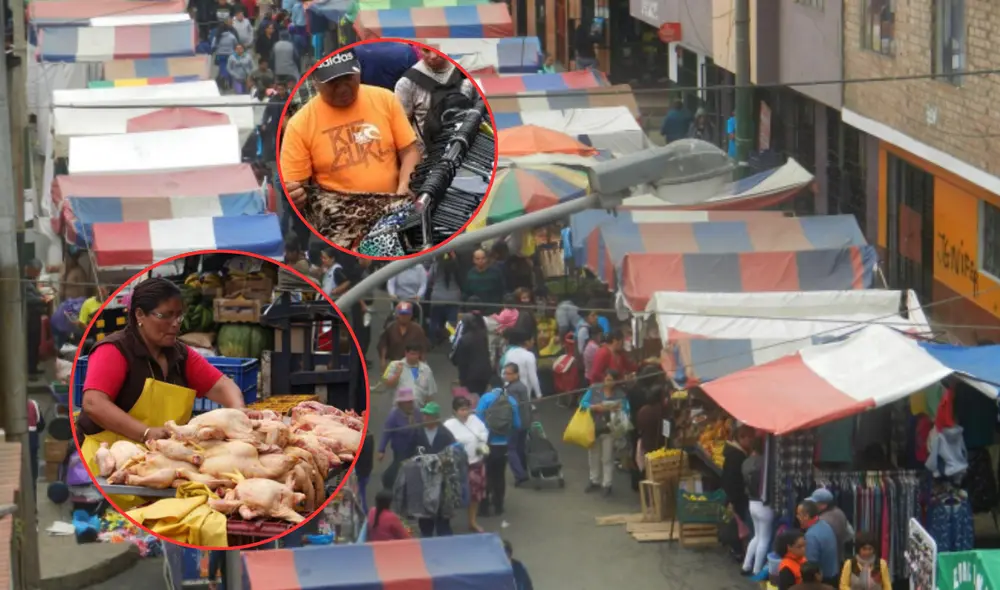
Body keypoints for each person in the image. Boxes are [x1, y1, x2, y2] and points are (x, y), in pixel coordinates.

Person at [74, 279, 246, 497]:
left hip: (159, 463)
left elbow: (222, 385)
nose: (175, 324)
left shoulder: (179, 354)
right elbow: (93, 403)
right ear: (140, 315)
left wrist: (238, 413)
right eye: (165, 315)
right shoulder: (115, 349)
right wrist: (145, 433)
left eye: (179, 315)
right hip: (108, 467)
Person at [281, 49, 421, 208]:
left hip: (393, 207)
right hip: (340, 221)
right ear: (314, 82)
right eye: (333, 83)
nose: (342, 89)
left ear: (359, 72)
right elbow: (296, 186)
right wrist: (295, 195)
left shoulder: (385, 99)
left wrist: (404, 187)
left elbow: (409, 151)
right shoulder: (299, 125)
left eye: (348, 78)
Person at [394, 45, 476, 142]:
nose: (433, 56)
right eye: (426, 51)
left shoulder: (467, 73)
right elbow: (402, 125)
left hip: (466, 147)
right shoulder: (407, 83)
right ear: (419, 49)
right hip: (427, 153)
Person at [410, 402, 456, 537]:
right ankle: (426, 532)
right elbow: (410, 452)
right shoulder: (417, 432)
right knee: (424, 510)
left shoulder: (445, 434)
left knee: (442, 509)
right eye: (424, 414)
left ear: (435, 417)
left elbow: (453, 454)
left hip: (441, 478)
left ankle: (444, 532)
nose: (424, 417)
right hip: (422, 477)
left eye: (428, 415)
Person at [580, 370, 629, 496]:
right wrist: (594, 407)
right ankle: (594, 480)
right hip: (594, 427)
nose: (608, 382)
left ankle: (607, 484)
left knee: (607, 458)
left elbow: (626, 409)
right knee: (593, 455)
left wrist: (617, 408)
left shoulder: (620, 394)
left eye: (611, 379)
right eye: (607, 379)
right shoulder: (594, 389)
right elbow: (583, 403)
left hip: (610, 429)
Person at [444, 397, 489, 532]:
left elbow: (484, 432)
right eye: (462, 410)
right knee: (452, 494)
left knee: (475, 495)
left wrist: (481, 442)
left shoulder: (475, 420)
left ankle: (472, 521)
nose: (465, 413)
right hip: (457, 466)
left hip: (475, 462)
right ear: (455, 411)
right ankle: (447, 522)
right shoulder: (448, 425)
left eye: (467, 409)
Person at [476, 383, 522, 517]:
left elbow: (478, 420)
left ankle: (483, 508)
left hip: (487, 444)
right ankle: (499, 506)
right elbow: (517, 424)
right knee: (499, 475)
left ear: (490, 386)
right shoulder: (511, 400)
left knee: (486, 474)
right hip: (503, 444)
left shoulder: (485, 398)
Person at [721, 425, 755, 558]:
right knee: (739, 523)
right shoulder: (737, 457)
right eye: (750, 439)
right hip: (737, 497)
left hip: (734, 496)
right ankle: (738, 550)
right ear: (741, 438)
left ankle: (736, 549)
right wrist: (734, 499)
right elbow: (733, 480)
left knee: (737, 523)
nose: (751, 442)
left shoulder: (734, 453)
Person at [742, 437, 772, 576]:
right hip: (764, 504)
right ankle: (757, 569)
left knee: (756, 536)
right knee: (764, 538)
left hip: (751, 503)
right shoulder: (765, 463)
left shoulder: (745, 462)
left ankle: (746, 565)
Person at [377, 388, 418, 490]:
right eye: (407, 402)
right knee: (399, 466)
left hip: (414, 447)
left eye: (411, 402)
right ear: (401, 403)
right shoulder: (394, 415)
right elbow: (387, 432)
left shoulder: (417, 412)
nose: (410, 404)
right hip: (400, 448)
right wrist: (381, 450)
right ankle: (388, 481)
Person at [500, 362, 532, 487]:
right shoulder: (522, 386)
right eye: (505, 373)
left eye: (508, 373)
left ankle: (520, 474)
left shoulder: (512, 389)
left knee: (511, 449)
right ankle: (523, 470)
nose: (506, 376)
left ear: (516, 374)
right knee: (520, 447)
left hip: (515, 423)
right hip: (525, 421)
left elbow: (512, 407)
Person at [807, 487, 854, 565]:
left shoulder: (821, 521)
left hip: (826, 564)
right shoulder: (839, 512)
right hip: (839, 559)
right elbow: (850, 534)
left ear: (823, 505)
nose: (811, 506)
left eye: (814, 503)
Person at [798, 500, 840, 585]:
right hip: (834, 574)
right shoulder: (824, 524)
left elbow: (810, 566)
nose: (797, 517)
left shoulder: (811, 536)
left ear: (806, 516)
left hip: (823, 581)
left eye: (799, 514)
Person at [451, 312, 492, 396]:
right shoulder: (482, 335)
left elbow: (461, 361)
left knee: (470, 401)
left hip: (470, 377)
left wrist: (462, 379)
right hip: (484, 374)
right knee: (480, 398)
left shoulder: (464, 339)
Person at [378, 302, 430, 367]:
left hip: (413, 364)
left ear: (411, 315)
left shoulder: (418, 329)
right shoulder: (390, 327)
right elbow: (383, 344)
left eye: (407, 314)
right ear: (397, 315)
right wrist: (383, 360)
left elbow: (423, 348)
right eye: (402, 314)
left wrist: (422, 364)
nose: (404, 317)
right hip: (394, 363)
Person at [354, 41, 419, 90]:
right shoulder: (407, 51)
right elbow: (414, 84)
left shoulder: (356, 50)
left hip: (366, 100)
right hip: (396, 101)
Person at [427, 254, 461, 345]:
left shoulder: (436, 265)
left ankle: (432, 341)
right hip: (453, 298)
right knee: (452, 323)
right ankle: (452, 340)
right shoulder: (456, 266)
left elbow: (429, 278)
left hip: (438, 297)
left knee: (434, 321)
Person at [23, 259, 46, 377]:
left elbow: (35, 294)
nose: (38, 273)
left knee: (36, 342)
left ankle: (34, 367)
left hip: (35, 316)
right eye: (37, 271)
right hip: (29, 317)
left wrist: (41, 296)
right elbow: (28, 299)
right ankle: (29, 371)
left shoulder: (32, 281)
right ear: (31, 270)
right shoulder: (24, 281)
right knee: (30, 343)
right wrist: (41, 299)